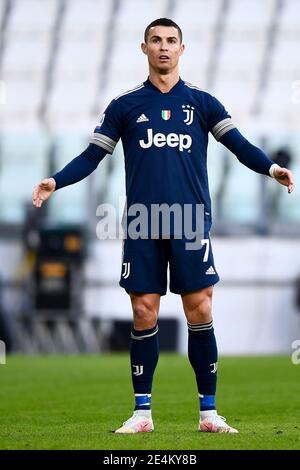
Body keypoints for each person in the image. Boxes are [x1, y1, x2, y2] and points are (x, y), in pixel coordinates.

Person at [32, 18, 294, 434]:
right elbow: (91, 156)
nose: (164, 47)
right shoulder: (126, 105)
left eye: (172, 41)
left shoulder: (203, 103)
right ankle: (142, 414)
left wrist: (273, 168)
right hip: (141, 224)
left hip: (190, 221)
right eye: (156, 41)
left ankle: (208, 413)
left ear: (182, 49)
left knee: (201, 308)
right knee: (143, 312)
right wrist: (56, 181)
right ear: (144, 48)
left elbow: (240, 145)